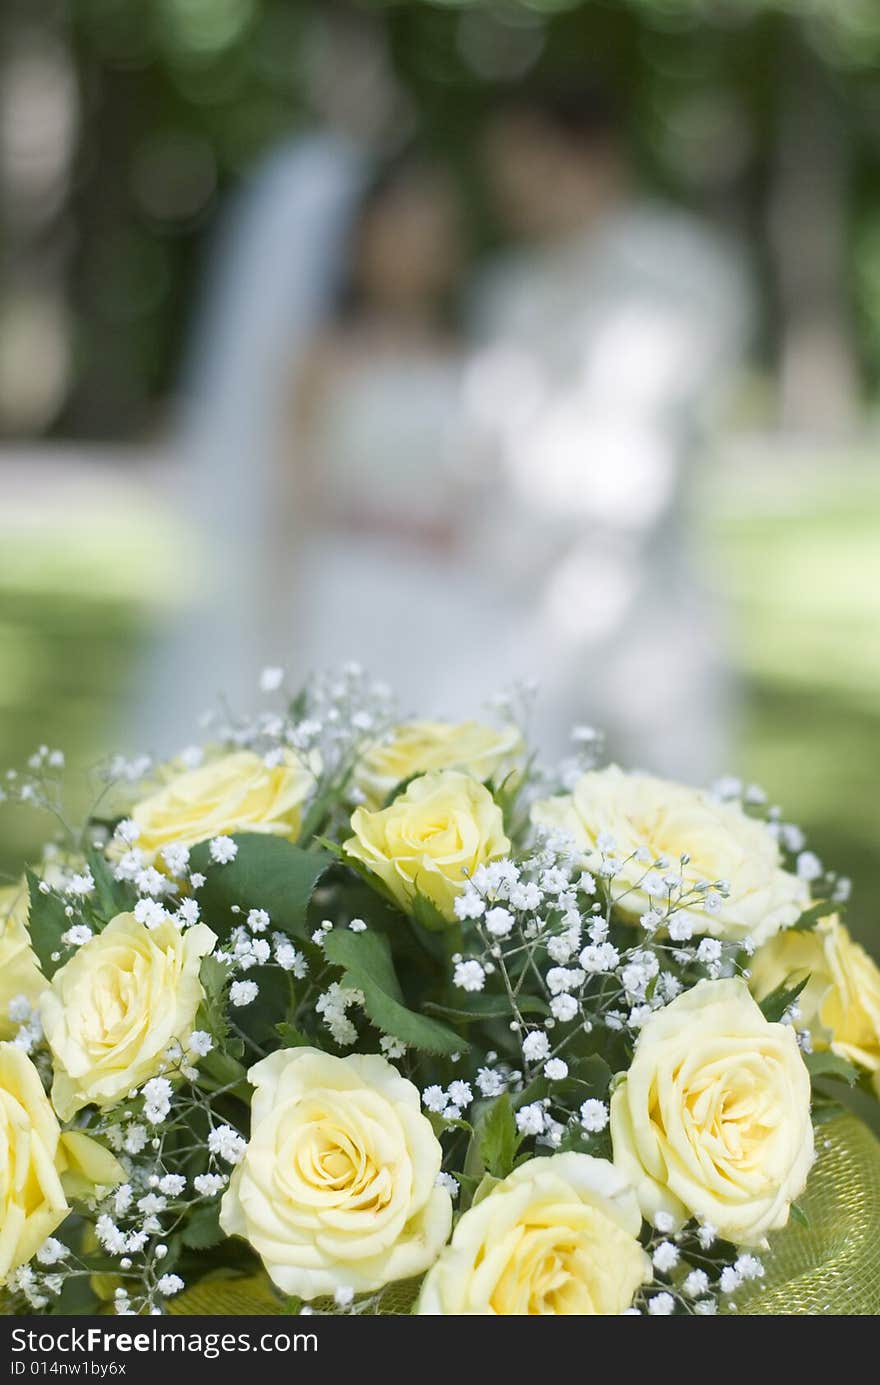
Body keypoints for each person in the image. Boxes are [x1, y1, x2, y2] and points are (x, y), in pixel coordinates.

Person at [466, 84, 752, 781]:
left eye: (525, 161)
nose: (509, 187)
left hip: (649, 601)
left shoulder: (686, 267)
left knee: (674, 824)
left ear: (591, 155)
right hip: (513, 604)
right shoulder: (503, 289)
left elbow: (655, 450)